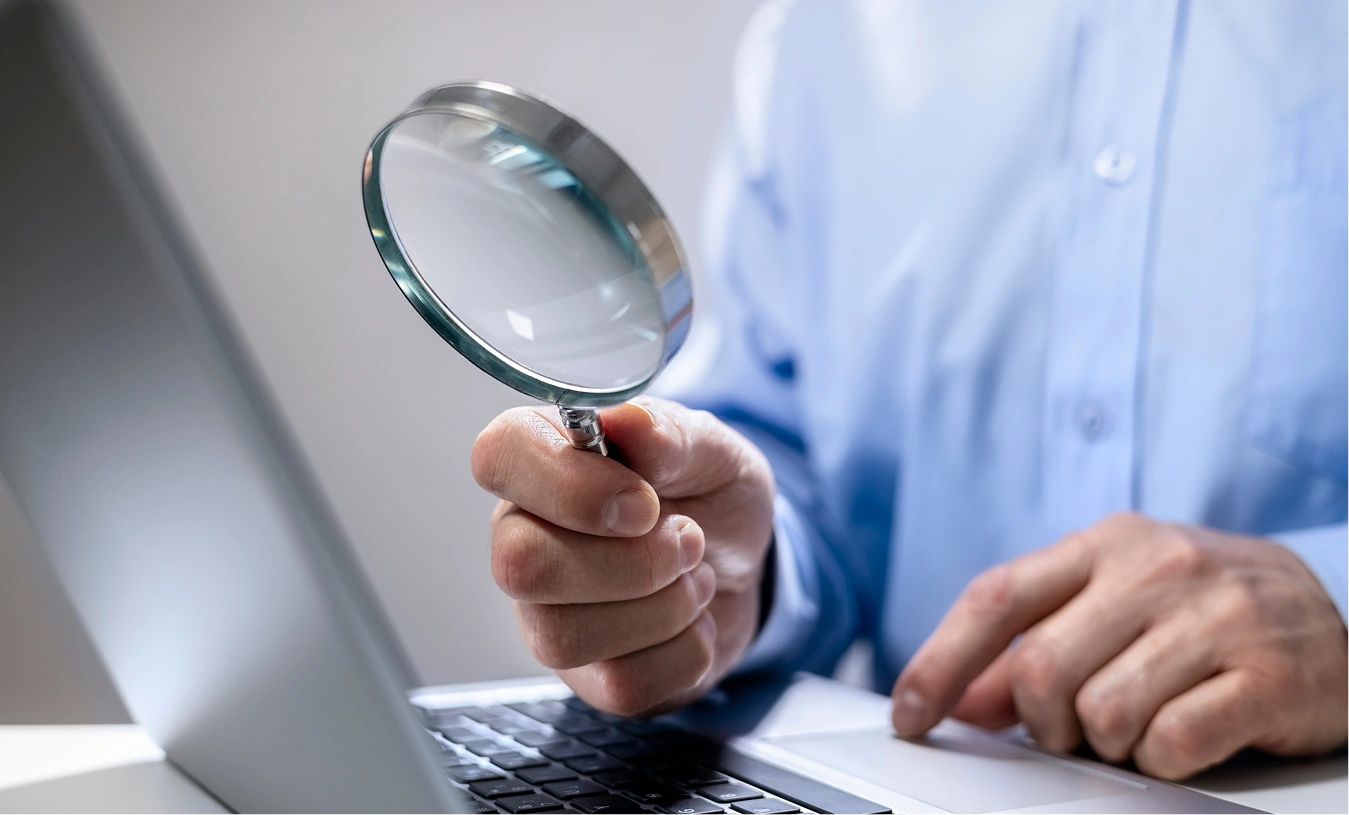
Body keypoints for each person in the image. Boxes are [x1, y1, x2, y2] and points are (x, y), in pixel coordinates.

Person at [469, 0, 1349, 781]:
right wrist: (726, 578)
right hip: (910, 778)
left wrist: (1336, 608)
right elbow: (795, 470)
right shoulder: (824, 33)